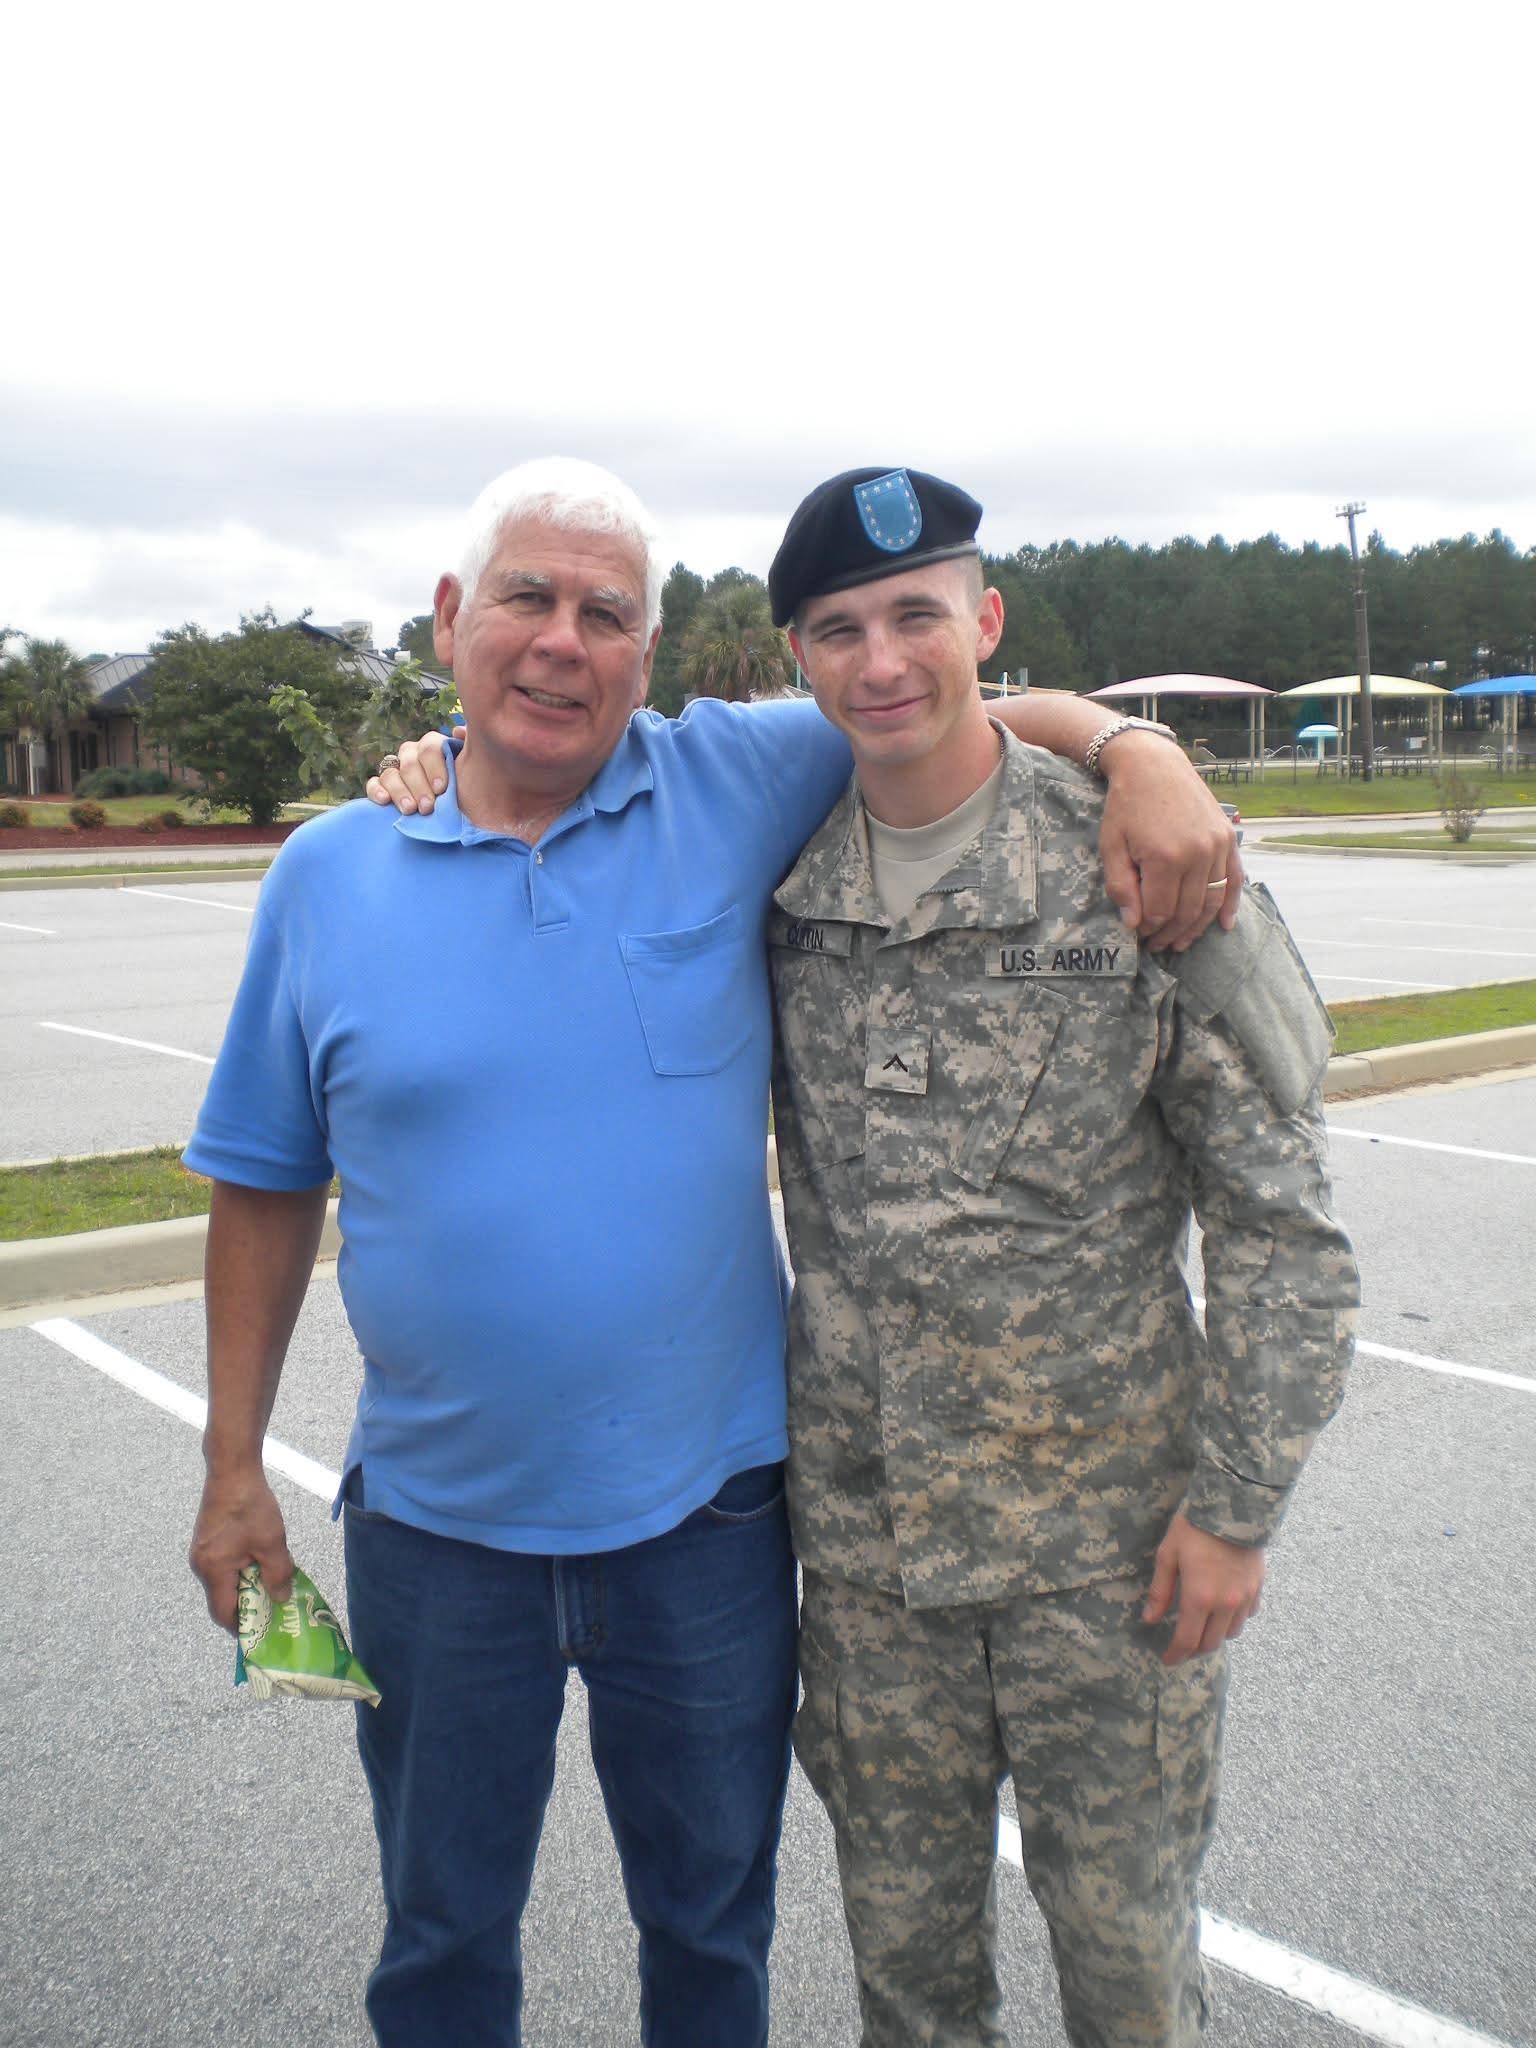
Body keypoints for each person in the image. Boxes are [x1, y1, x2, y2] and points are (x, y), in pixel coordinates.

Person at [187, 457, 1240, 2048]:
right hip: (437, 1533)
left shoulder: (727, 781)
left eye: (606, 614)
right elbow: (265, 1186)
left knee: (709, 1927)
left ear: (650, 656)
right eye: (528, 599)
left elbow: (931, 700)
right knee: (440, 1931)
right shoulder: (327, 876)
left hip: (706, 1529)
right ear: (451, 617)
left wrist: (1138, 749)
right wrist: (231, 1469)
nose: (564, 640)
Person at [762, 467, 1360, 2047]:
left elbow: (1283, 1229)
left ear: (987, 622)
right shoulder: (779, 879)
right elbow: (581, 767)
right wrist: (437, 757)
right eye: (839, 630)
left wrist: (1235, 1510)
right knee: (909, 1991)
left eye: (917, 616)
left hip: (1111, 1566)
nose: (882, 661)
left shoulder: (1143, 868)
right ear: (797, 658)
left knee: (1129, 1980)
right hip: (877, 1574)